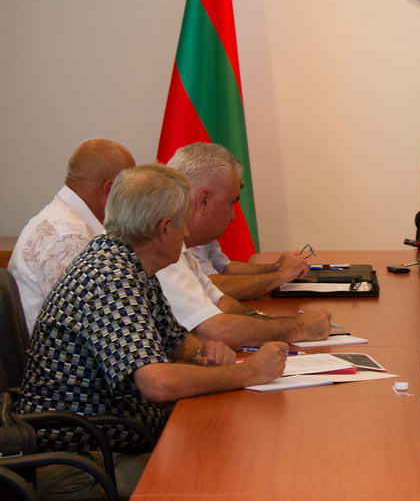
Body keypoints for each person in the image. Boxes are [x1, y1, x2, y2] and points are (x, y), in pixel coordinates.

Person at [15, 164, 288, 498]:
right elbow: (156, 383)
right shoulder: (109, 278)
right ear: (165, 228)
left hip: (118, 440)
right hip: (86, 461)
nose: (187, 234)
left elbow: (178, 343)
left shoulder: (130, 263)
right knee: (226, 475)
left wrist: (205, 352)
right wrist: (250, 373)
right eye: (183, 223)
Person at [157, 142, 332, 348]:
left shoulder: (179, 245)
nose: (233, 216)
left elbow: (222, 303)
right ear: (203, 200)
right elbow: (216, 332)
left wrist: (272, 322)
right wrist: (299, 327)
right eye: (231, 202)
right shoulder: (158, 246)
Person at [9, 138, 136, 331]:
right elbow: (90, 321)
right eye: (129, 191)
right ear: (110, 189)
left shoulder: (65, 222)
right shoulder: (67, 236)